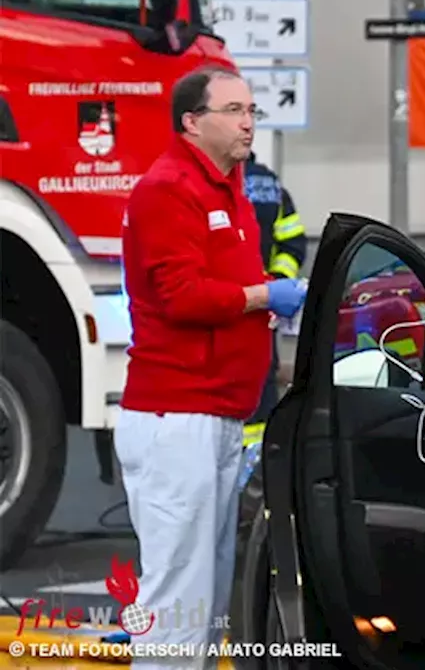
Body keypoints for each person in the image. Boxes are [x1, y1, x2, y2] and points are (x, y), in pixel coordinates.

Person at [117, 66, 306, 666]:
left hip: (220, 416)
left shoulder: (232, 187)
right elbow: (180, 296)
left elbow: (223, 285)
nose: (248, 121)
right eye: (233, 110)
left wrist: (259, 306)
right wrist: (261, 297)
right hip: (179, 418)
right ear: (192, 122)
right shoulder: (168, 188)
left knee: (205, 602)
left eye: (252, 109)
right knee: (177, 602)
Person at [242, 151, 307, 448]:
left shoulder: (219, 181)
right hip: (266, 300)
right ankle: (262, 458)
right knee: (264, 373)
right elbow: (292, 242)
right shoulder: (271, 184)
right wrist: (276, 284)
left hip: (231, 298)